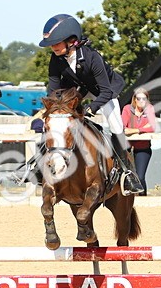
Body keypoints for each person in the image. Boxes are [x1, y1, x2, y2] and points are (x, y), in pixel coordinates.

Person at [32, 13, 143, 195]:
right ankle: (39, 166)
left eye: (56, 43)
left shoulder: (92, 57)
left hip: (104, 90)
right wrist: (52, 109)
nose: (53, 47)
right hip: (78, 91)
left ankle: (128, 173)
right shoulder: (56, 59)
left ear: (72, 41)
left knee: (115, 126)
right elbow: (54, 90)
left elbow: (106, 91)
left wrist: (92, 108)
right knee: (55, 124)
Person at [121, 89, 157, 196]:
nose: (141, 101)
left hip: (143, 147)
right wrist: (143, 128)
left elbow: (153, 126)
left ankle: (143, 198)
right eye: (139, 98)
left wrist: (136, 130)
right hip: (127, 147)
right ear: (134, 99)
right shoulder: (127, 109)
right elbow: (123, 128)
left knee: (140, 176)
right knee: (127, 175)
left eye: (144, 98)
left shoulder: (150, 109)